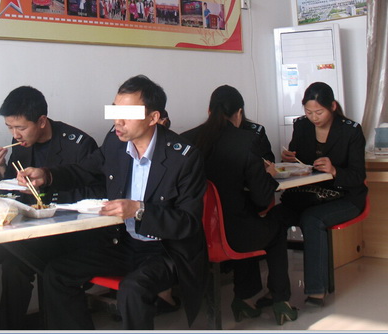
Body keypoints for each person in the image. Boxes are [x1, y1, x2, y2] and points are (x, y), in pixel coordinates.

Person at [19, 75, 207, 330]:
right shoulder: (116, 143)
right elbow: (85, 170)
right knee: (57, 273)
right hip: (124, 243)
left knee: (133, 289)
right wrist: (47, 175)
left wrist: (139, 210)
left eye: (127, 114)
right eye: (115, 111)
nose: (117, 121)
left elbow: (188, 222)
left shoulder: (183, 157)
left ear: (153, 118)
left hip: (165, 251)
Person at [0, 86, 101, 330]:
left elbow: (96, 195)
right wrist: (1, 167)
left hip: (63, 233)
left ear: (41, 121)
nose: (15, 134)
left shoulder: (78, 144)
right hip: (23, 227)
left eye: (20, 128)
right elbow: (11, 186)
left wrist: (46, 191)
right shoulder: (20, 143)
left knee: (15, 267)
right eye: (10, 128)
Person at [181, 85, 297, 325]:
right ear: (239, 113)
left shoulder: (186, 140)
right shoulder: (247, 141)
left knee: (246, 220)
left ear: (209, 110)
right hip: (233, 236)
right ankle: (281, 301)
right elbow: (263, 199)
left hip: (196, 235)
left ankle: (245, 298)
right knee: (274, 225)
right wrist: (268, 174)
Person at [273, 82, 367, 306]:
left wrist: (334, 171)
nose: (313, 117)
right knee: (273, 219)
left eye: (319, 112)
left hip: (345, 197)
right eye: (308, 112)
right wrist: (289, 159)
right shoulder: (302, 125)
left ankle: (316, 290)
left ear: (332, 106)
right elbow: (298, 163)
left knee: (312, 219)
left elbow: (358, 175)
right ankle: (277, 291)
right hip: (307, 195)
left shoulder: (351, 130)